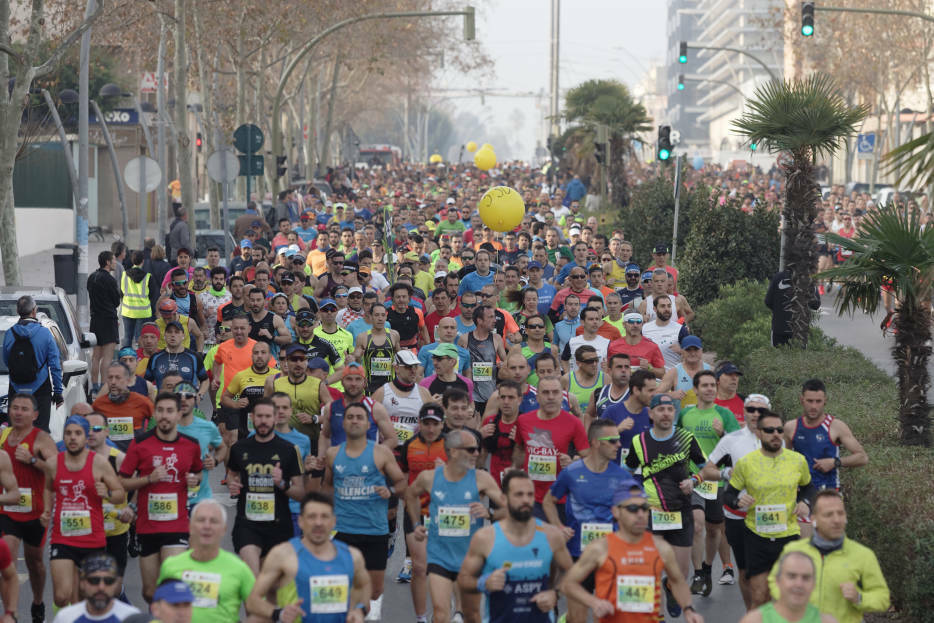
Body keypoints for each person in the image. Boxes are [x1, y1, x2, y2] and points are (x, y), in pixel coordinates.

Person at [311, 402, 408, 621]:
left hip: (374, 530)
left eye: (359, 417)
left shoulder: (382, 453)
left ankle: (363, 613)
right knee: (341, 586)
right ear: (343, 424)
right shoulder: (334, 455)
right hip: (342, 531)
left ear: (368, 425)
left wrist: (390, 490)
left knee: (374, 591)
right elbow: (327, 488)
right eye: (350, 417)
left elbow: (402, 484)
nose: (354, 420)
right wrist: (322, 517)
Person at [561, 483, 703, 623]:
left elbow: (678, 582)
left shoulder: (660, 548)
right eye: (633, 509)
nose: (640, 514)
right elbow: (568, 583)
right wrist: (594, 602)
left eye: (644, 508)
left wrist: (688, 609)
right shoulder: (600, 548)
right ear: (616, 511)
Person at [542, 419, 639, 623]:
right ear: (595, 442)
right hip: (578, 556)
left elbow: (636, 512)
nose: (618, 445)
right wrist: (558, 527)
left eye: (618, 440)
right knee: (577, 618)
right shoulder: (572, 473)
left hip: (610, 556)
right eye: (612, 441)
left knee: (607, 616)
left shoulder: (622, 476)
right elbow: (548, 502)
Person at [405, 430, 506, 623]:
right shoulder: (430, 478)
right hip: (439, 557)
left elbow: (509, 508)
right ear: (452, 452)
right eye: (470, 450)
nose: (477, 454)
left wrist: (490, 513)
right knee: (441, 614)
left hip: (470, 559)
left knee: (471, 616)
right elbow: (411, 494)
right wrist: (416, 523)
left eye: (477, 449)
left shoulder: (480, 478)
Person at [624, 393, 706, 619]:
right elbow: (627, 474)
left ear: (674, 413)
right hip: (652, 514)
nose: (666, 413)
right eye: (661, 409)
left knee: (680, 572)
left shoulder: (687, 438)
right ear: (651, 413)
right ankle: (656, 617)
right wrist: (634, 496)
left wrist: (694, 481)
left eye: (670, 409)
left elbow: (706, 468)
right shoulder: (639, 442)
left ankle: (671, 587)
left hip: (681, 512)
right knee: (652, 567)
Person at [118, 392, 204, 603]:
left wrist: (195, 479)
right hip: (147, 527)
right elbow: (123, 481)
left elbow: (198, 472)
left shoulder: (190, 445)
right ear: (154, 414)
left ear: (178, 414)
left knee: (172, 584)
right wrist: (148, 479)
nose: (164, 416)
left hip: (177, 526)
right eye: (160, 411)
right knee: (149, 591)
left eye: (169, 411)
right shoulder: (140, 444)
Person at [724, 410, 815, 608]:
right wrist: (737, 501)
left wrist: (805, 503)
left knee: (786, 596)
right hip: (756, 536)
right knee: (759, 595)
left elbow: (809, 488)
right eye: (769, 430)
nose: (776, 434)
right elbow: (728, 495)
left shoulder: (797, 460)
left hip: (788, 535)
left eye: (779, 430)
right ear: (758, 433)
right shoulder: (746, 463)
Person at [457, 470, 572, 623]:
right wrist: (484, 583)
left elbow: (571, 571)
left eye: (530, 495)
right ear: (504, 499)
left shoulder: (551, 535)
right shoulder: (485, 538)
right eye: (519, 495)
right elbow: (463, 580)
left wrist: (555, 594)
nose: (525, 500)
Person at [246, 492, 372, 623]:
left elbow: (364, 585)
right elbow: (253, 600)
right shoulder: (282, 555)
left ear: (334, 521)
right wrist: (279, 613)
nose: (318, 523)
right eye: (312, 517)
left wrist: (359, 610)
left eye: (324, 517)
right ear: (300, 521)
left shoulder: (352, 556)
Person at [768, 489, 890, 623]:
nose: (837, 520)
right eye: (828, 515)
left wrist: (859, 598)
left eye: (840, 513)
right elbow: (774, 581)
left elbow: (882, 597)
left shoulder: (863, 555)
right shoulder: (794, 551)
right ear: (814, 519)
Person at [699, 393, 772, 607]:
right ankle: (752, 613)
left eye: (761, 410)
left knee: (769, 572)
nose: (756, 414)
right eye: (751, 409)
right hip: (737, 515)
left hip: (770, 515)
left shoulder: (778, 439)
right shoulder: (731, 440)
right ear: (745, 411)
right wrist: (726, 473)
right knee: (745, 570)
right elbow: (707, 470)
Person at [46, 415, 126, 608]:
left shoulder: (99, 463)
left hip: (92, 538)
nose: (72, 437)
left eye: (78, 433)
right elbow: (47, 489)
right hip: (63, 537)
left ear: (85, 436)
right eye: (68, 433)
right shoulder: (53, 464)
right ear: (63, 437)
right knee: (61, 596)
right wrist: (46, 511)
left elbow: (120, 494)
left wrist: (106, 493)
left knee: (85, 597)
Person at [676, 370, 741, 597]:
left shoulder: (724, 414)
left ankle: (706, 567)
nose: (710, 389)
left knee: (715, 530)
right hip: (693, 477)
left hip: (716, 479)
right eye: (705, 385)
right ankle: (697, 573)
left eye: (713, 385)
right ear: (696, 390)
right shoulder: (685, 415)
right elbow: (675, 441)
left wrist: (722, 432)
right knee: (698, 522)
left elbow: (737, 446)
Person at [226, 398, 306, 575]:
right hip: (247, 524)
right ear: (252, 418)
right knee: (253, 580)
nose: (263, 421)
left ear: (275, 418)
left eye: (267, 416)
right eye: (259, 416)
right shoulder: (239, 448)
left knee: (270, 587)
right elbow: (231, 473)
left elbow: (300, 493)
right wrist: (233, 484)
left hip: (278, 525)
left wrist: (282, 483)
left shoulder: (289, 450)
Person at [0, 393, 59, 623]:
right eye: (15, 407)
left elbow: (57, 472)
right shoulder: (4, 436)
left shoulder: (42, 439)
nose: (18, 412)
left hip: (36, 511)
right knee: (8, 560)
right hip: (8, 511)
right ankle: (10, 613)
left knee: (35, 562)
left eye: (24, 409)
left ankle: (37, 602)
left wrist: (33, 460)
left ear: (35, 414)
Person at [157, 499, 256, 623]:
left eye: (214, 521)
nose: (207, 526)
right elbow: (159, 610)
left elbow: (259, 613)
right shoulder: (171, 566)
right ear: (190, 527)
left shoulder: (239, 568)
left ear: (224, 529)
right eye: (201, 520)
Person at [513, 376, 590, 521]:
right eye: (546, 392)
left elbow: (589, 458)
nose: (550, 397)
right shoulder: (523, 420)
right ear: (537, 396)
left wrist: (574, 463)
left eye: (555, 392)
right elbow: (519, 450)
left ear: (563, 396)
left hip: (561, 497)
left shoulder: (573, 423)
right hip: (530, 497)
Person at [785, 379, 868, 495]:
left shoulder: (836, 426)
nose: (814, 406)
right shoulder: (791, 427)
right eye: (810, 401)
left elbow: (862, 457)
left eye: (818, 401)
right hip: (799, 493)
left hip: (828, 492)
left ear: (825, 401)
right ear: (802, 400)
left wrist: (835, 462)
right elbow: (783, 461)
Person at [2, 295, 64, 432]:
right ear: (34, 311)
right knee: (40, 432)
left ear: (18, 312)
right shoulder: (45, 334)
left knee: (15, 431)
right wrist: (58, 392)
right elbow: (55, 365)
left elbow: (7, 361)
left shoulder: (9, 334)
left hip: (15, 388)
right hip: (40, 389)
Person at [265, 343, 333, 454]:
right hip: (281, 442)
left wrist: (314, 418)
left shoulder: (318, 385)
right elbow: (264, 411)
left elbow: (334, 412)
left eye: (302, 359)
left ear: (307, 361)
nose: (298, 363)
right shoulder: (274, 384)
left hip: (311, 443)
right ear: (286, 361)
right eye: (294, 359)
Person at [739, 551, 836, 623]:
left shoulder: (827, 621)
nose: (799, 584)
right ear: (777, 581)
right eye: (791, 576)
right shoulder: (755, 620)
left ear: (814, 584)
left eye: (806, 578)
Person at [52, 553, 140, 623]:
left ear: (116, 584)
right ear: (82, 583)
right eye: (94, 581)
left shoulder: (132, 617)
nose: (101, 587)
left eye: (108, 581)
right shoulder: (65, 618)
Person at [371, 350, 433, 447]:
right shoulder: (382, 393)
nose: (413, 370)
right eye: (408, 367)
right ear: (396, 368)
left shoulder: (424, 393)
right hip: (390, 451)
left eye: (415, 366)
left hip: (414, 451)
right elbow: (369, 423)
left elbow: (432, 424)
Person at [220, 341, 278, 439]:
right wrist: (235, 404)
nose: (259, 356)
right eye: (256, 353)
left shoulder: (278, 375)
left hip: (272, 430)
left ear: (269, 356)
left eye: (263, 353)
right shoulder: (241, 376)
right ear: (251, 356)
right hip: (246, 431)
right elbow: (224, 398)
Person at [93, 362, 155, 451]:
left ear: (128, 380)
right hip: (108, 457)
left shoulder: (142, 402)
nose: (113, 382)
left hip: (134, 454)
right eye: (110, 378)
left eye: (118, 378)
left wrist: (147, 437)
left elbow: (156, 419)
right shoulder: (98, 404)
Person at [459, 304, 507, 415]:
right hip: (472, 397)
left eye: (494, 317)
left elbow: (506, 363)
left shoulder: (497, 339)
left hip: (491, 396)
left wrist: (501, 365)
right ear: (479, 320)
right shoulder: (465, 339)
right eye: (490, 317)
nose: (495, 320)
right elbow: (459, 368)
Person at [88, 250, 123, 393]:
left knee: (96, 356)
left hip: (95, 319)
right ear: (108, 262)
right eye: (113, 260)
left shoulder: (91, 277)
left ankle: (94, 385)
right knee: (107, 357)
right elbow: (116, 301)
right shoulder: (110, 279)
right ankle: (104, 386)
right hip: (108, 320)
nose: (115, 262)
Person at [145, 321, 208, 394]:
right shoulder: (155, 357)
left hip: (187, 403)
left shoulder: (194, 357)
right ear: (164, 336)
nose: (173, 335)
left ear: (183, 336)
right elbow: (147, 382)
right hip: (164, 403)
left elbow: (205, 380)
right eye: (169, 332)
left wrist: (200, 395)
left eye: (177, 332)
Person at [353, 303, 400, 394]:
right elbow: (357, 363)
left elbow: (400, 359)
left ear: (386, 317)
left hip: (390, 387)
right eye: (377, 315)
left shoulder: (394, 335)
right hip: (369, 387)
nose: (380, 318)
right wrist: (356, 357)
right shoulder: (362, 337)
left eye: (383, 315)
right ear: (371, 317)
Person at [658, 335, 710, 413]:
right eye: (688, 350)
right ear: (682, 351)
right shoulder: (674, 372)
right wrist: (671, 395)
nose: (692, 353)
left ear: (701, 351)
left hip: (704, 422)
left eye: (696, 350)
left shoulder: (710, 371)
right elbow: (654, 395)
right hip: (680, 423)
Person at [607, 313, 666, 379]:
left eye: (638, 322)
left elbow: (662, 373)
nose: (635, 325)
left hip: (642, 387)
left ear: (642, 324)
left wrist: (650, 369)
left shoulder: (652, 346)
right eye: (631, 322)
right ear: (624, 324)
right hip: (620, 386)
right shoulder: (614, 346)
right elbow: (608, 371)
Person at [641, 295, 689, 370]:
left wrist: (681, 351)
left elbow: (692, 354)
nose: (667, 309)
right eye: (663, 306)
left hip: (672, 377)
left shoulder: (680, 329)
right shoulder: (644, 329)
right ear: (655, 309)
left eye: (669, 306)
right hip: (650, 378)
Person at [121, 250, 155, 348]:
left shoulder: (125, 275)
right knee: (141, 338)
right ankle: (140, 360)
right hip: (143, 311)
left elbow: (122, 291)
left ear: (132, 261)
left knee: (127, 337)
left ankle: (125, 360)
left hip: (128, 310)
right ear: (142, 261)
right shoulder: (148, 277)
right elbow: (151, 294)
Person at [586, 351, 630, 426]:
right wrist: (589, 436)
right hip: (604, 437)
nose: (623, 370)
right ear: (609, 371)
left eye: (627, 367)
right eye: (619, 367)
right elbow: (589, 415)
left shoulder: (637, 393)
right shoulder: (598, 393)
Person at [197, 267, 231, 347]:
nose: (218, 281)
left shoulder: (230, 297)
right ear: (211, 279)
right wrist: (205, 315)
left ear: (225, 280)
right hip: (207, 340)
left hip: (224, 340)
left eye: (221, 279)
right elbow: (196, 319)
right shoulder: (202, 296)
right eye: (216, 279)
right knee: (207, 359)